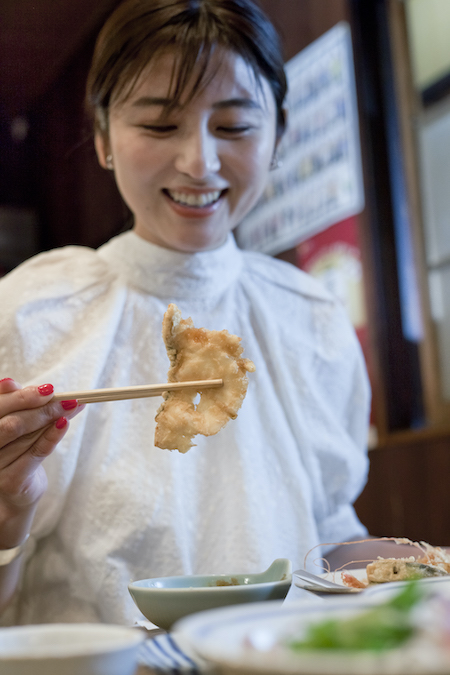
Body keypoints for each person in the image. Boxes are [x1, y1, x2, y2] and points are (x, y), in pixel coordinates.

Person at [0, 0, 376, 627]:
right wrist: (7, 517)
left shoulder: (313, 317)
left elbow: (331, 530)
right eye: (158, 125)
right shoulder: (33, 312)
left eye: (233, 127)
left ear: (279, 134)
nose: (199, 162)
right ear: (102, 137)